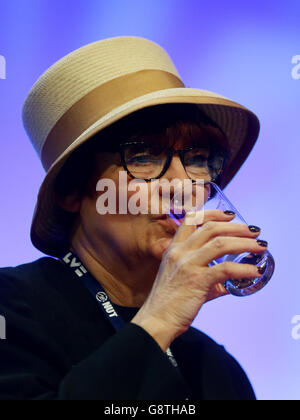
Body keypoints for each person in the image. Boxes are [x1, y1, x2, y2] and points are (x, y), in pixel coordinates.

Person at [0, 36, 267, 400]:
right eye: (142, 157)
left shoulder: (213, 368)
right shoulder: (12, 307)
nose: (183, 184)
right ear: (71, 191)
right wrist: (158, 319)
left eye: (198, 160)